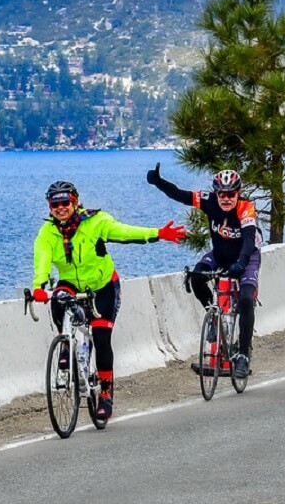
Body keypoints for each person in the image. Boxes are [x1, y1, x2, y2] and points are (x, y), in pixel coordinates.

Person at [32, 180, 186, 420]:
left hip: (103, 287)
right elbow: (41, 260)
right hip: (71, 284)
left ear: (75, 202)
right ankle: (64, 345)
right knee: (58, 298)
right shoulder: (47, 232)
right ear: (49, 206)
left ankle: (105, 394)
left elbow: (125, 233)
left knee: (101, 337)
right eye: (55, 204)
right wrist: (38, 286)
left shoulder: (96, 221)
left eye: (65, 203)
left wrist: (158, 234)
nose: (60, 208)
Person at [146, 164, 262, 379]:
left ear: (238, 193)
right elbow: (180, 194)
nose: (226, 198)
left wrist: (242, 262)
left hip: (247, 256)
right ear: (215, 193)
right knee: (197, 277)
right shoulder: (208, 200)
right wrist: (158, 182)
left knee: (245, 299)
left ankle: (243, 355)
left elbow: (248, 238)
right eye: (222, 194)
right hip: (220, 253)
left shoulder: (246, 208)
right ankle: (213, 316)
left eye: (231, 194)